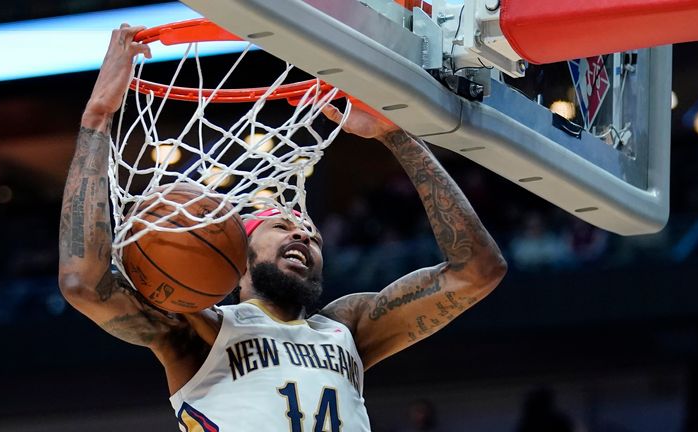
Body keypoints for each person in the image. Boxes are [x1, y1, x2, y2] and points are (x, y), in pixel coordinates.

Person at [58, 24, 507, 431]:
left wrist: (396, 136)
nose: (303, 235)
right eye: (282, 225)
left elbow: (477, 271)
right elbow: (84, 284)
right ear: (239, 253)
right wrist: (97, 117)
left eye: (312, 234)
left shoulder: (346, 327)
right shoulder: (199, 332)